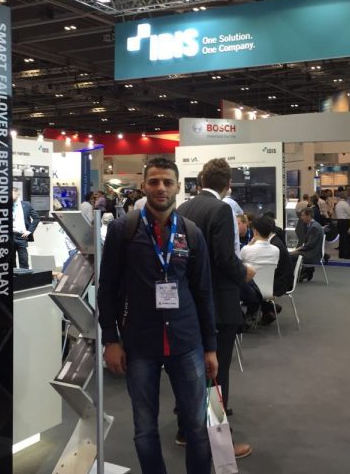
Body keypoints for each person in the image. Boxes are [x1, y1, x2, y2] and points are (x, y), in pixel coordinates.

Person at [97, 158, 218, 473]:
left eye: (167, 182)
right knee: (144, 428)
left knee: (196, 425)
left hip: (186, 341)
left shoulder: (191, 233)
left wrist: (210, 347)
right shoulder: (123, 230)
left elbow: (204, 292)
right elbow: (107, 287)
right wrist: (110, 340)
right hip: (140, 343)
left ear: (178, 187)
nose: (161, 188)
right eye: (154, 182)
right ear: (144, 186)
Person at [177, 157, 254, 458]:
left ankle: (185, 430)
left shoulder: (184, 208)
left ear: (201, 180)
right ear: (228, 184)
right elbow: (224, 258)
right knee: (216, 374)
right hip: (218, 304)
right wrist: (244, 273)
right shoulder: (221, 209)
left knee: (191, 370)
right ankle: (220, 444)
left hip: (189, 303)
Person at [239, 215, 280, 326]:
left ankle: (248, 314)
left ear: (255, 231)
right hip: (268, 290)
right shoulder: (276, 250)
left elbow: (239, 265)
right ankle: (264, 308)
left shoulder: (246, 249)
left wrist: (251, 243)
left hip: (249, 291)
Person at [290, 207, 326, 283]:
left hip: (313, 254)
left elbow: (310, 244)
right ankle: (304, 271)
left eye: (303, 215)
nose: (301, 217)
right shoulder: (312, 225)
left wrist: (298, 249)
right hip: (312, 251)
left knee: (291, 255)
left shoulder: (314, 227)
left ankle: (297, 274)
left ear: (308, 216)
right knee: (292, 254)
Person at [12, 186, 39, 269]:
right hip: (10, 236)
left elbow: (36, 218)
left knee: (24, 261)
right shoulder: (5, 206)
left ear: (18, 194)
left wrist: (29, 231)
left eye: (12, 193)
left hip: (21, 236)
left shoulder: (26, 205)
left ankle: (24, 276)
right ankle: (13, 277)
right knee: (11, 262)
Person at [334, 190, 350, 259]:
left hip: (339, 221)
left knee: (342, 239)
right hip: (346, 222)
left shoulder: (338, 204)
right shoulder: (345, 204)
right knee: (347, 239)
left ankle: (341, 254)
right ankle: (347, 254)